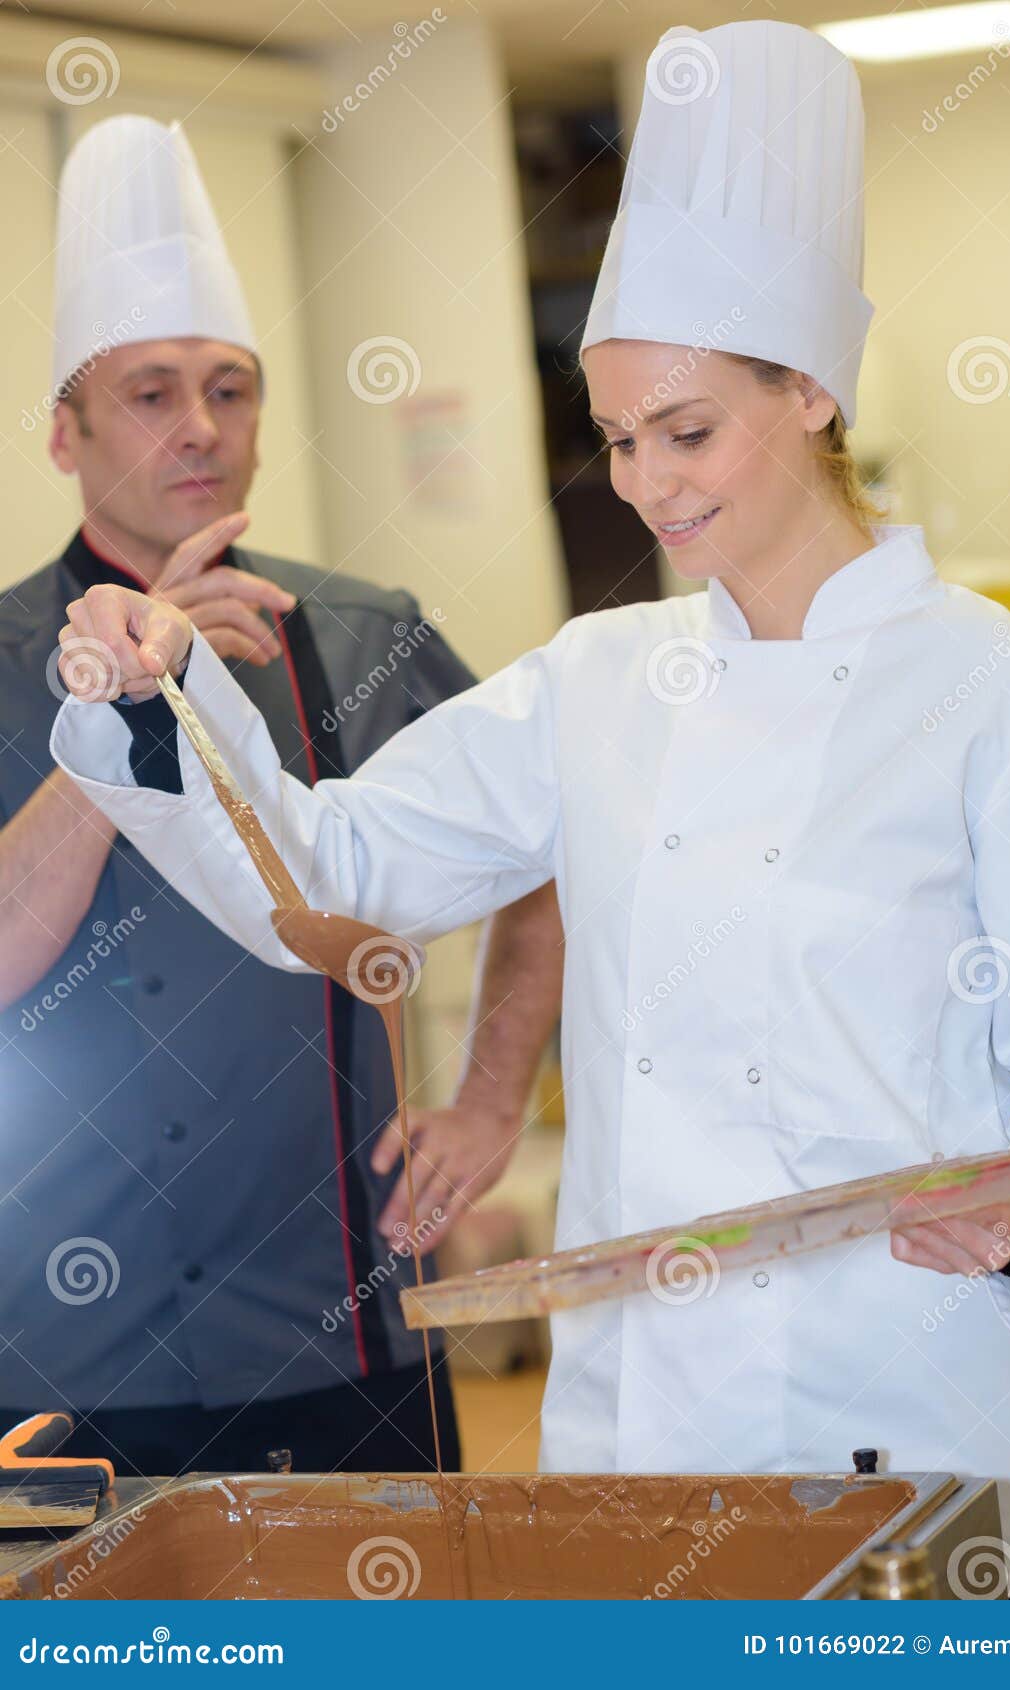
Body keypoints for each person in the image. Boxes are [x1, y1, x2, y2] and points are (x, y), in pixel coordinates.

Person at [49, 22, 1010, 1595]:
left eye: (688, 431)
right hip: (642, 1444)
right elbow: (334, 861)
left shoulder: (998, 691)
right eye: (615, 439)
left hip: (913, 1436)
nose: (648, 483)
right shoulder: (599, 680)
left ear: (808, 389)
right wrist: (156, 693)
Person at [0, 114, 563, 1479]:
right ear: (65, 434)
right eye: (149, 392)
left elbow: (551, 853)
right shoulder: (12, 660)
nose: (201, 426)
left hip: (343, 1320)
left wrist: (493, 1095)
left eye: (231, 387)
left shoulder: (374, 634)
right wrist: (129, 697)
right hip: (67, 1342)